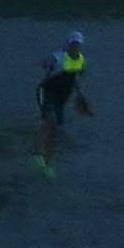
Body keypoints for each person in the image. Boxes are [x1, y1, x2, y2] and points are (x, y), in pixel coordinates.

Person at [33, 36, 95, 168]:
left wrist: (81, 97)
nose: (75, 47)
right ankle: (36, 154)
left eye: (77, 45)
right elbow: (44, 64)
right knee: (48, 121)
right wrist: (48, 64)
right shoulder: (58, 57)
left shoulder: (81, 61)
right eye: (72, 44)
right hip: (47, 91)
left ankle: (47, 162)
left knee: (55, 130)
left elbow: (76, 79)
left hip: (62, 97)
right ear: (67, 45)